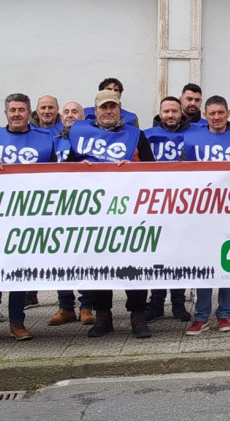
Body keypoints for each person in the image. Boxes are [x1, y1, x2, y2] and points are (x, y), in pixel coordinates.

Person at [0, 93, 56, 344]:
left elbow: (58, 175)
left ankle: (17, 321)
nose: (16, 114)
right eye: (12, 110)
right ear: (5, 113)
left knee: (19, 270)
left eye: (21, 110)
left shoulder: (45, 139)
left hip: (28, 215)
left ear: (29, 113)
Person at [69, 89, 156, 338]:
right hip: (94, 214)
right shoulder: (79, 136)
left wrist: (134, 169)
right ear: (94, 111)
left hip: (130, 213)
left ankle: (138, 315)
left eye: (113, 107)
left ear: (119, 109)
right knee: (99, 265)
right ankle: (103, 316)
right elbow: (62, 169)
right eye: (103, 107)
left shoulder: (135, 135)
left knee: (134, 264)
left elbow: (154, 171)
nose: (108, 111)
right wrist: (77, 167)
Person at [182, 95, 230, 335]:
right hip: (202, 212)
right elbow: (182, 173)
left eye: (220, 112)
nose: (216, 117)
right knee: (203, 263)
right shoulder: (191, 140)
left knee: (226, 261)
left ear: (228, 113)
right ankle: (201, 316)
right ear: (205, 115)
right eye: (211, 113)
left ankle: (224, 314)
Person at [141, 97, 193, 322]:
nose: (170, 115)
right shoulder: (145, 135)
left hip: (183, 204)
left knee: (179, 254)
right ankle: (156, 303)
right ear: (159, 113)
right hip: (154, 204)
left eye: (174, 111)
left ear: (181, 112)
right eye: (166, 111)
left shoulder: (194, 134)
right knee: (156, 254)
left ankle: (179, 303)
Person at [45, 100, 95, 326]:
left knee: (84, 256)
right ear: (60, 116)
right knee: (60, 257)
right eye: (66, 111)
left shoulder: (90, 142)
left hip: (84, 206)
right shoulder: (51, 141)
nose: (70, 115)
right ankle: (65, 306)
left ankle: (86, 306)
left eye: (75, 111)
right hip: (57, 207)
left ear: (83, 116)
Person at [22, 94, 63, 308]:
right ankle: (29, 293)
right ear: (35, 111)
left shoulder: (67, 132)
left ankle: (68, 303)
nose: (46, 111)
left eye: (51, 107)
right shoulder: (30, 133)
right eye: (43, 107)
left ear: (58, 110)